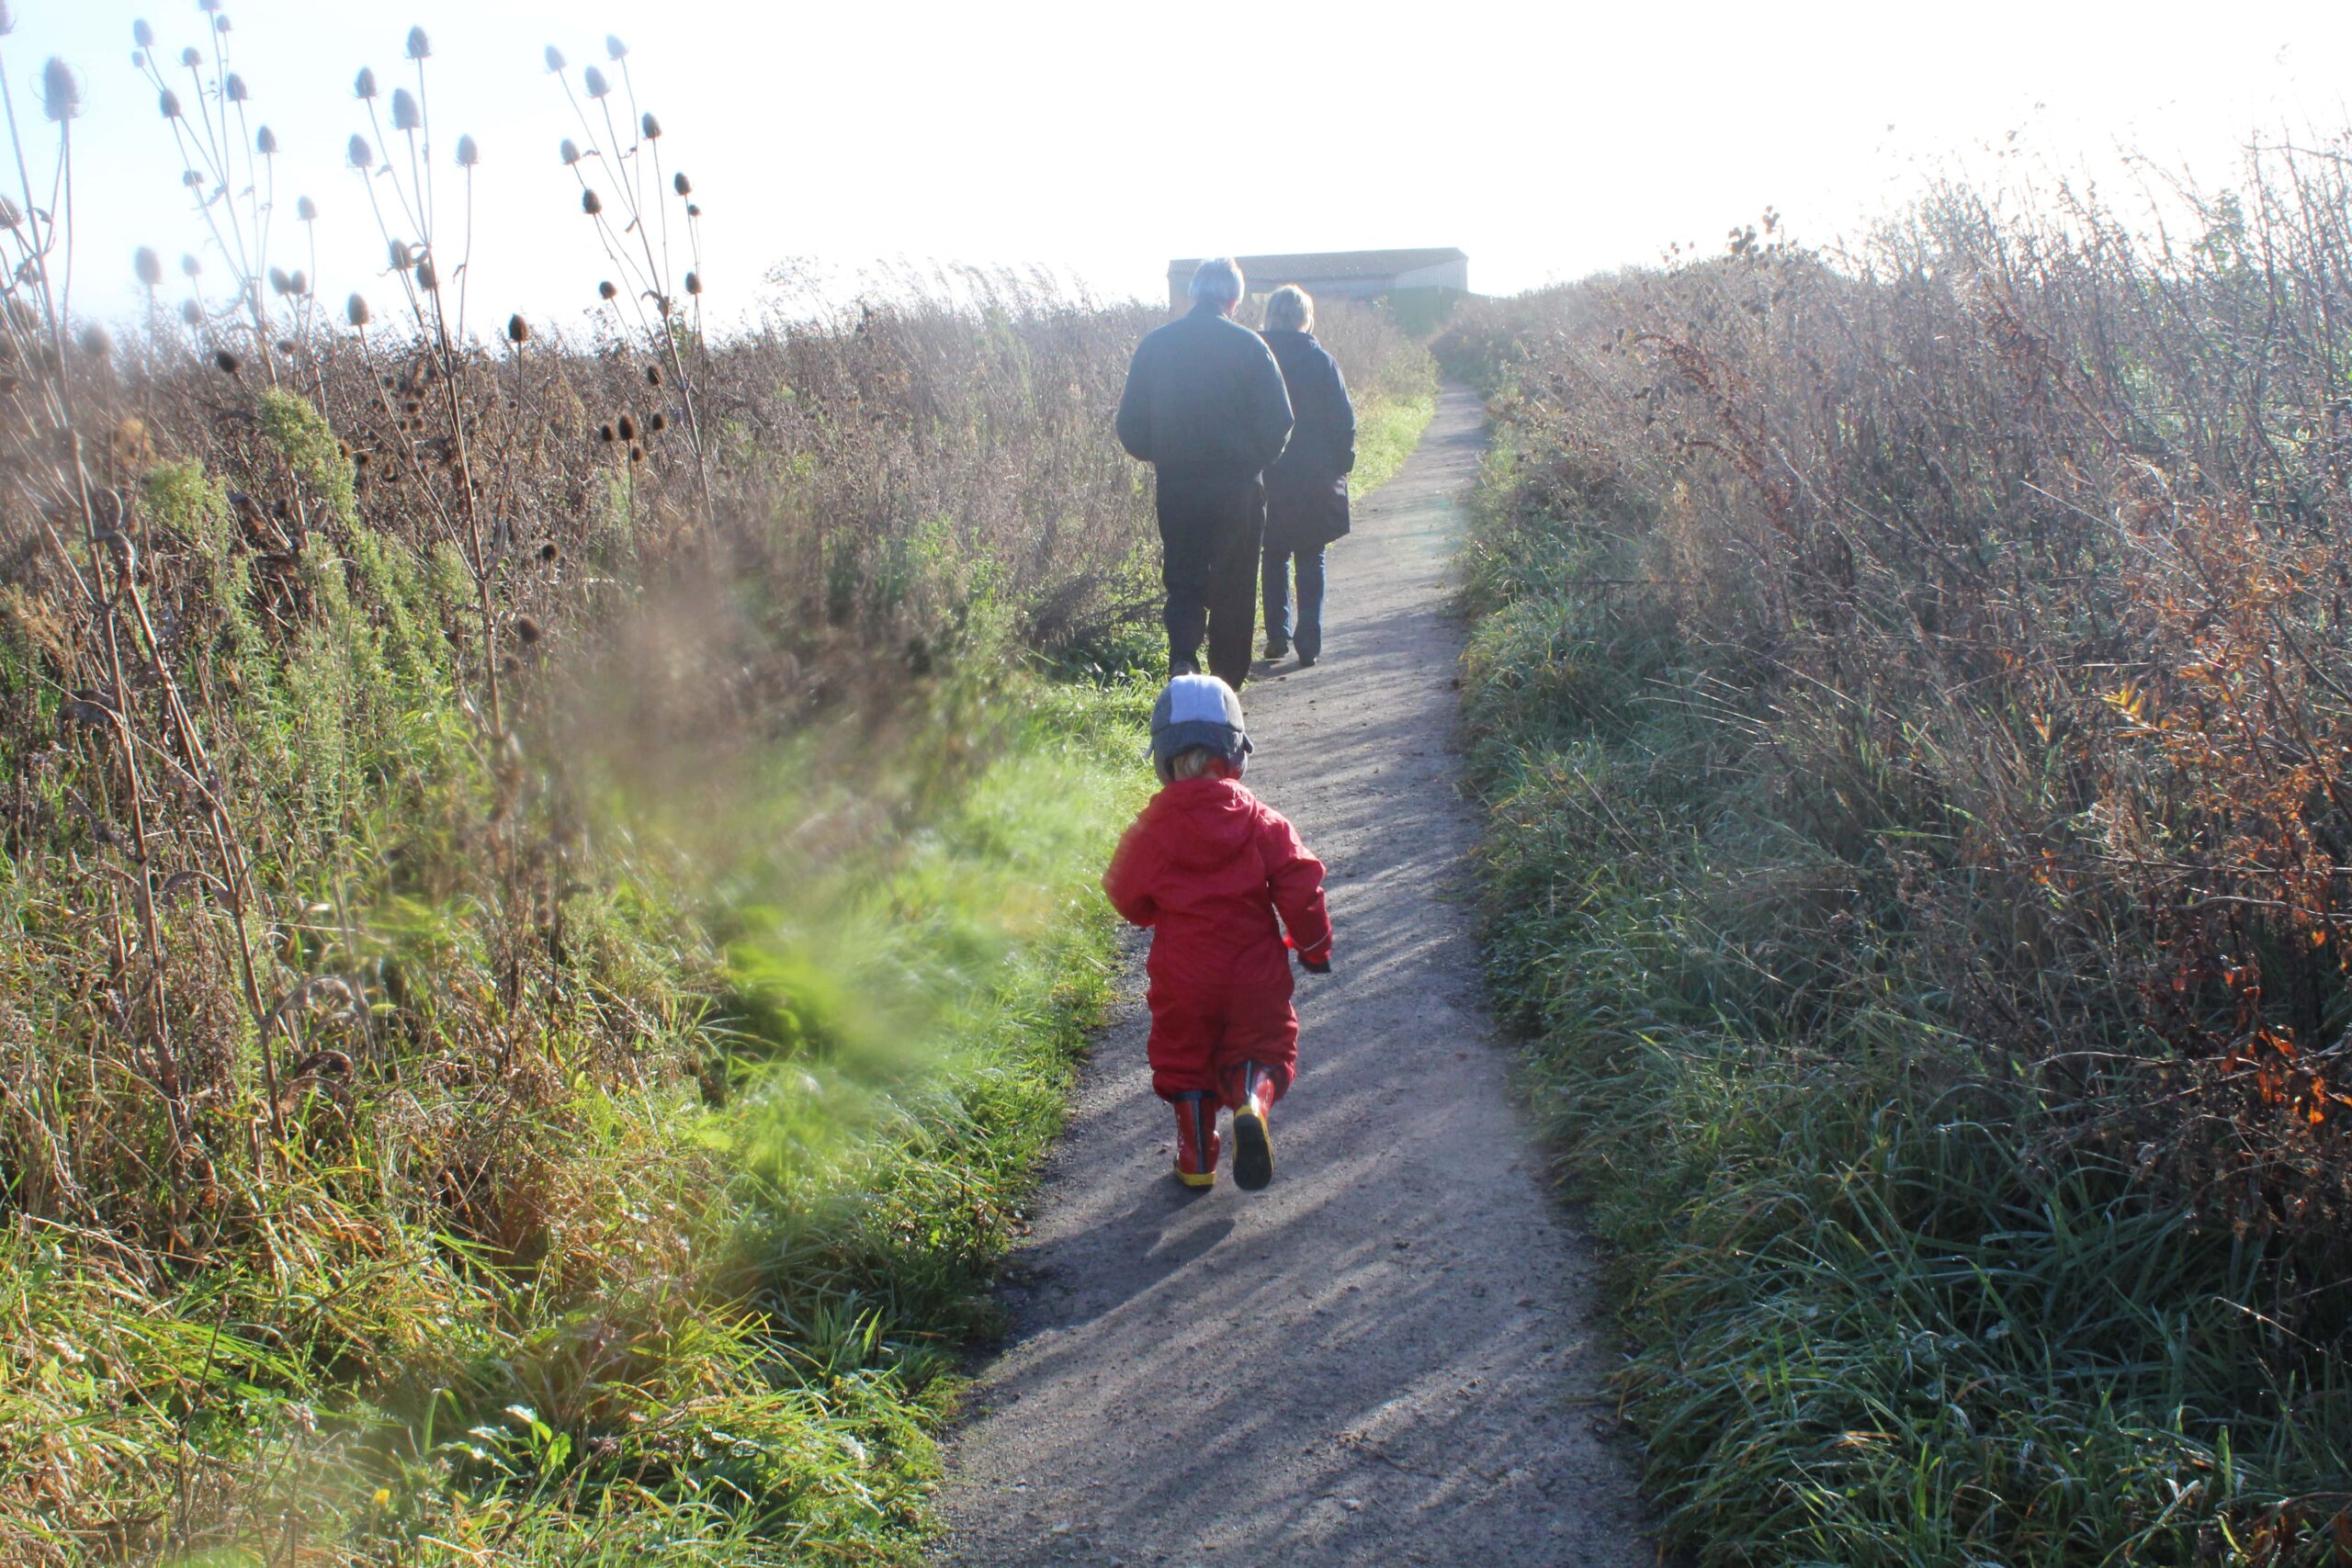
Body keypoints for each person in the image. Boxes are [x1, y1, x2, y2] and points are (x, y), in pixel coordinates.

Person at [1102, 674, 1332, 1190]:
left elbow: (1123, 891)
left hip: (1183, 975)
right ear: (1236, 754)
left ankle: (1196, 1156)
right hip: (1254, 974)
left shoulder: (1151, 830)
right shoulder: (1263, 823)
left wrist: (1151, 912)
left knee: (1184, 1058)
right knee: (1266, 1046)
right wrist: (1314, 948)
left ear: (1163, 759)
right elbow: (1301, 881)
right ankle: (1252, 1101)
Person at [1114, 257, 1295, 687]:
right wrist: (1252, 462)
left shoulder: (1156, 345)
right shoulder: (1251, 346)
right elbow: (1281, 422)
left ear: (1194, 293)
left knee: (1184, 579)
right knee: (1235, 587)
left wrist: (1160, 454)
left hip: (1178, 485)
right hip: (1238, 489)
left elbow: (1129, 426)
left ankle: (1183, 665)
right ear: (1234, 298)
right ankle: (1226, 687)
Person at [1257, 285, 1355, 667]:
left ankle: (1277, 634)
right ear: (1305, 317)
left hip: (1270, 471)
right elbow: (1343, 420)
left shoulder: (1257, 357)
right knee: (1311, 554)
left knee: (1274, 553)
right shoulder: (1322, 362)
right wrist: (1342, 462)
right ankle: (1309, 634)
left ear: (1270, 315)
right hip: (1315, 475)